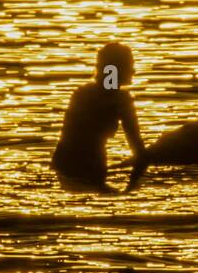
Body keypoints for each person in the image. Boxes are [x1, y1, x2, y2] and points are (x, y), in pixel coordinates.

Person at [52, 43, 148, 192]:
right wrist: (132, 189)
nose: (133, 71)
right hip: (91, 167)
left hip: (63, 166)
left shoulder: (81, 94)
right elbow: (139, 151)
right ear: (117, 69)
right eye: (130, 65)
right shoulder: (121, 100)